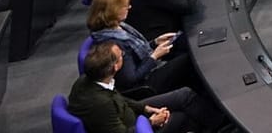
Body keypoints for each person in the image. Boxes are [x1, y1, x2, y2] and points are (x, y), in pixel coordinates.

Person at [68, 40, 216, 133]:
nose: (124, 55)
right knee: (183, 117)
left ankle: (217, 122)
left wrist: (146, 108)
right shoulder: (101, 104)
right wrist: (152, 122)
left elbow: (120, 99)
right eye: (122, 56)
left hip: (131, 114)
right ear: (115, 67)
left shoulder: (90, 79)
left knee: (184, 95)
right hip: (134, 126)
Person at [87, 0, 194, 97]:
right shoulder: (114, 43)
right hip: (145, 83)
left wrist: (155, 43)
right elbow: (131, 78)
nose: (129, 7)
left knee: (183, 42)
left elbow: (136, 51)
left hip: (148, 66)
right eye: (125, 6)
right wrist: (154, 56)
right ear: (113, 12)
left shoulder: (120, 27)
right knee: (190, 59)